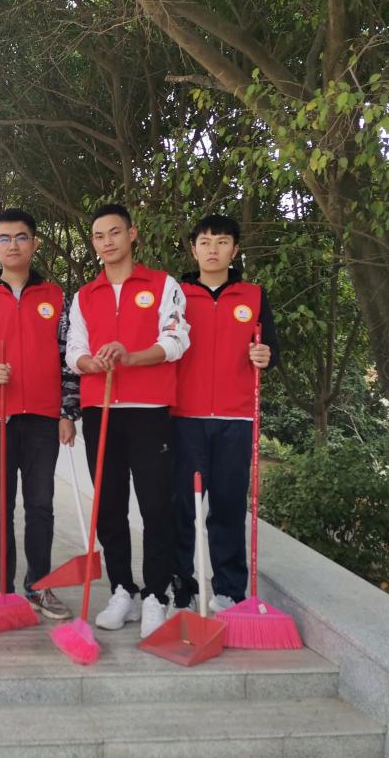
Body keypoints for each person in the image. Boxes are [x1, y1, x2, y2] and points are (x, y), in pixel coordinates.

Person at [66, 203, 190, 639]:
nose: (107, 242)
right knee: (109, 506)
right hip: (100, 410)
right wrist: (91, 363)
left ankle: (157, 594)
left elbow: (176, 340)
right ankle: (123, 589)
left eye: (115, 232)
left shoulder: (163, 285)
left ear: (132, 234)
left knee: (156, 506)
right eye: (99, 236)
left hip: (149, 410)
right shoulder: (85, 295)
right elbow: (74, 350)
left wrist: (130, 358)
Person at [0, 208, 79, 620]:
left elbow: (68, 358)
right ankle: (1, 589)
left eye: (21, 237)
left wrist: (67, 412)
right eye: (4, 238)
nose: (13, 245)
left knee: (41, 505)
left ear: (34, 244)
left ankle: (39, 586)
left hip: (43, 418)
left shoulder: (56, 297)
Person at [171, 214, 279, 612]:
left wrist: (265, 355)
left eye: (221, 242)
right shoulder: (177, 294)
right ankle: (180, 585)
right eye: (205, 242)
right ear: (194, 249)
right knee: (181, 506)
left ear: (235, 250)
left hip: (236, 418)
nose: (212, 249)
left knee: (229, 507)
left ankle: (230, 590)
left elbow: (271, 350)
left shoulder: (253, 295)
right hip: (185, 417)